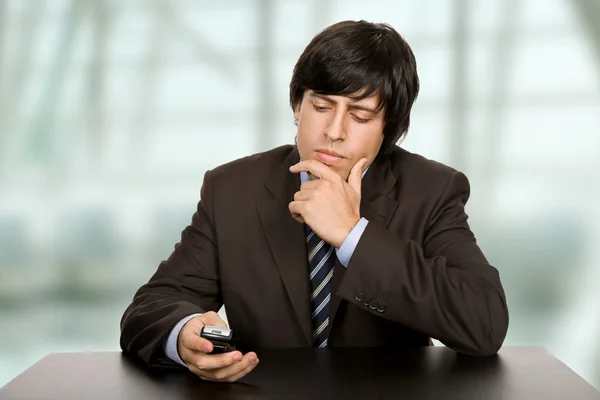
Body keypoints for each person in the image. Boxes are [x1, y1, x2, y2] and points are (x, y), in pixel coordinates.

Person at [119, 19, 509, 383]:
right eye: (321, 106)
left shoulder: (431, 190)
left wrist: (353, 235)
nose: (334, 131)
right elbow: (152, 305)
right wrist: (184, 335)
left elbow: (484, 322)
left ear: (388, 129)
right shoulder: (231, 188)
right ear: (297, 106)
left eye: (359, 115)